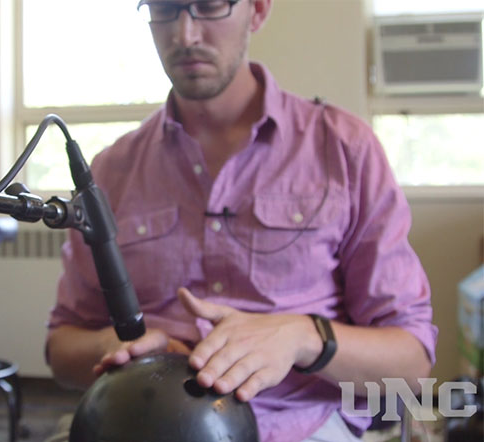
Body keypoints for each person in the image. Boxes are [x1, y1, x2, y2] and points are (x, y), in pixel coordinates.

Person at [45, 1, 438, 441]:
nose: (185, 34)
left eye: (209, 7)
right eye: (165, 9)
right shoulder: (112, 170)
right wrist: (115, 347)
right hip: (138, 420)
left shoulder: (344, 150)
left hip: (295, 426)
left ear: (257, 11)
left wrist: (304, 338)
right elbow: (62, 346)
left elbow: (411, 362)